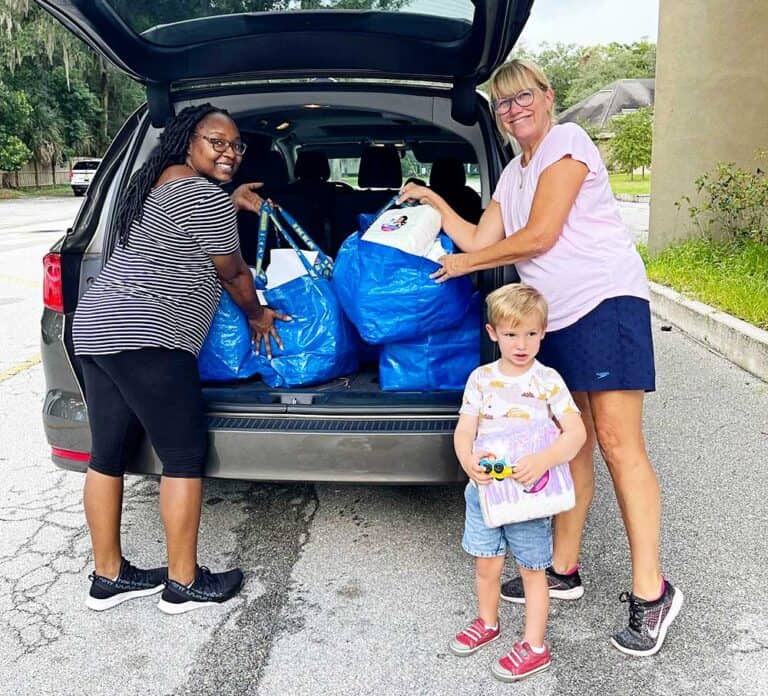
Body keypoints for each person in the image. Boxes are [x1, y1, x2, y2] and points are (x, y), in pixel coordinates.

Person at [399, 59, 684, 656]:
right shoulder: (511, 175)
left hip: (605, 301)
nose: (513, 109)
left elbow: (540, 236)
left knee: (616, 440)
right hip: (559, 316)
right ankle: (564, 567)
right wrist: (431, 200)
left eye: (522, 96)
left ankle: (652, 592)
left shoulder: (568, 142)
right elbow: (480, 236)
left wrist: (464, 266)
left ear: (547, 96)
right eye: (502, 103)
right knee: (571, 440)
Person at [72, 103, 289, 614]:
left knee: (107, 455)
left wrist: (227, 199)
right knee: (184, 456)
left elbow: (182, 228)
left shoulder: (154, 184)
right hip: (149, 337)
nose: (230, 152)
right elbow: (234, 273)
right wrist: (258, 315)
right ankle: (184, 582)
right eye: (218, 142)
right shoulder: (201, 196)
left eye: (237, 146)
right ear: (188, 140)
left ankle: (108, 577)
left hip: (96, 327)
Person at [451, 283, 586, 682]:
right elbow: (465, 429)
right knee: (486, 564)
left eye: (530, 333)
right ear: (493, 334)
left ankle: (535, 646)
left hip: (528, 496)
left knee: (532, 571)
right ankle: (487, 622)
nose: (521, 343)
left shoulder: (548, 381)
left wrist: (545, 459)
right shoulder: (480, 379)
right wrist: (467, 460)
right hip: (486, 493)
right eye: (511, 334)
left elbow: (575, 433)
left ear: (543, 332)